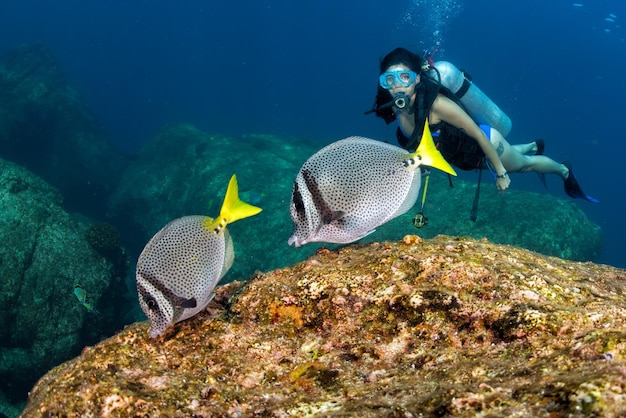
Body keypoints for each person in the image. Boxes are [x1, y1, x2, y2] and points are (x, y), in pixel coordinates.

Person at [367, 47, 597, 202]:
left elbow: (477, 134)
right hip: (466, 156)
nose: (397, 86)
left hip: (485, 143)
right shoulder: (397, 108)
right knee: (515, 156)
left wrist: (500, 173)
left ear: (417, 78)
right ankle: (531, 146)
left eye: (404, 77)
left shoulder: (438, 105)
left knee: (524, 166)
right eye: (389, 79)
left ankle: (564, 171)